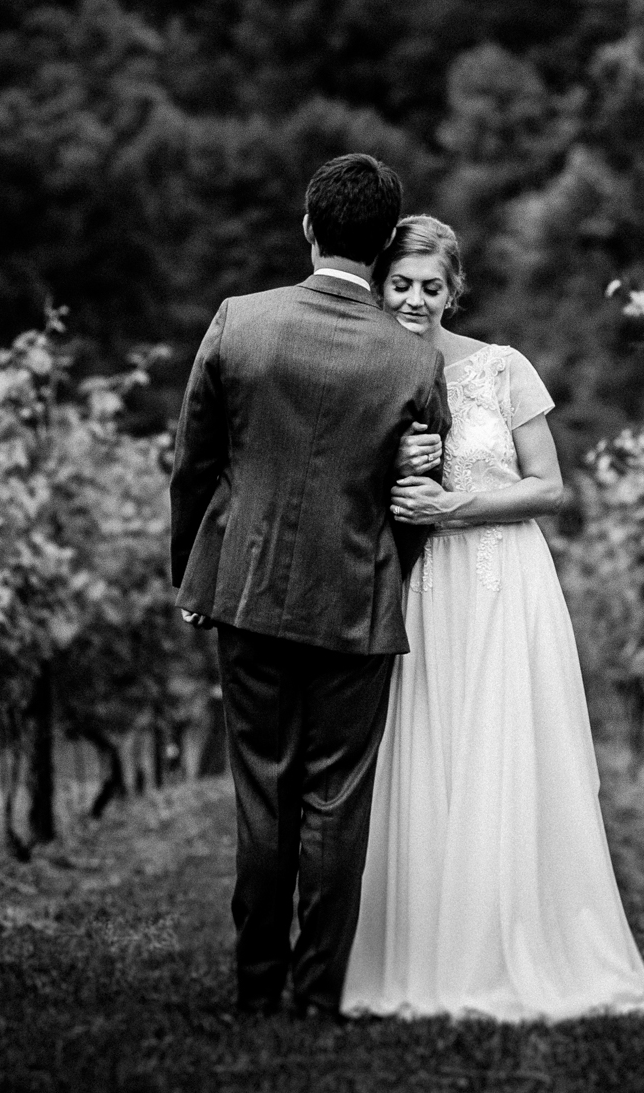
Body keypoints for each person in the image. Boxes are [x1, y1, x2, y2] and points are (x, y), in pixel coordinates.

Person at [340, 215, 644, 1022]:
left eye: (431, 286)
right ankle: (422, 944)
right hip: (421, 587)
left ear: (454, 290)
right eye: (401, 283)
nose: (415, 299)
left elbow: (548, 486)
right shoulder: (366, 367)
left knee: (500, 748)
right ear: (379, 284)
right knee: (427, 748)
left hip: (503, 581)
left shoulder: (502, 369)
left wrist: (452, 502)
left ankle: (509, 938)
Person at [169, 155, 451, 1020]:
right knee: (336, 798)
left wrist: (193, 571)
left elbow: (195, 465)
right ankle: (317, 993)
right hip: (357, 603)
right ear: (380, 246)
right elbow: (415, 501)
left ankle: (256, 986)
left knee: (263, 791)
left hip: (247, 592)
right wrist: (384, 566)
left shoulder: (239, 322)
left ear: (308, 226)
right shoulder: (411, 361)